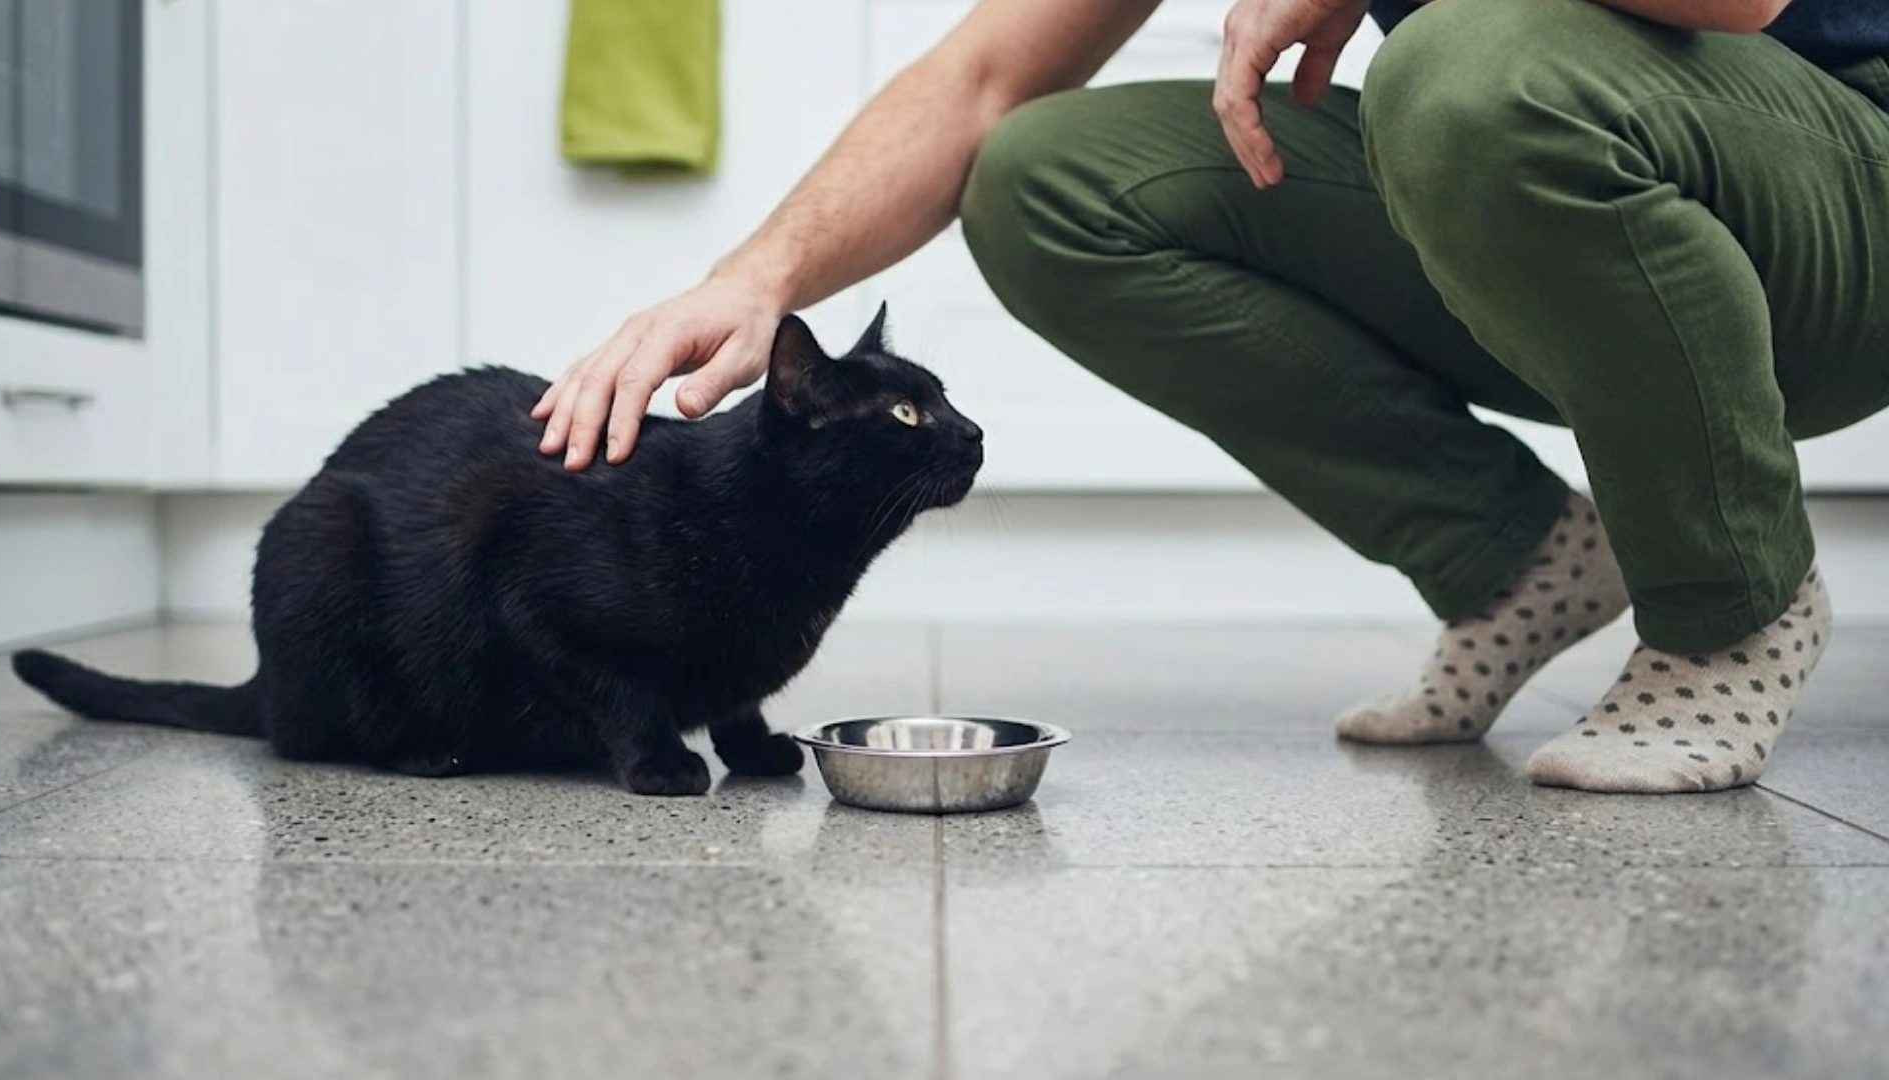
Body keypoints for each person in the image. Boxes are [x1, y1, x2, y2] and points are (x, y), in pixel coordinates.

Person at [532, 0, 1889, 794]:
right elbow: (985, 76)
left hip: (1844, 177)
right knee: (1049, 177)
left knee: (1464, 71)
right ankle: (1520, 560)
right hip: (1605, 202)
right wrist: (755, 277)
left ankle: (1731, 606)